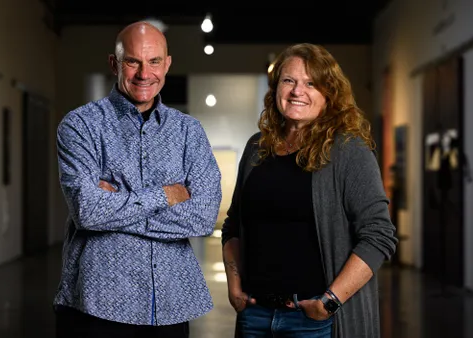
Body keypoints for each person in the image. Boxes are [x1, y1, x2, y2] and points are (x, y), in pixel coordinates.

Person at [53, 21, 222, 338]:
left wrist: (113, 207)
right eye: (133, 61)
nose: (145, 74)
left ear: (167, 63)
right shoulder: (80, 125)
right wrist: (164, 195)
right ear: (114, 63)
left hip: (170, 306)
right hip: (96, 306)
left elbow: (202, 217)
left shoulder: (189, 132)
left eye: (154, 61)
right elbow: (88, 212)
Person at [221, 43, 398, 338]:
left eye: (311, 83)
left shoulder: (348, 150)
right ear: (276, 87)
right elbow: (233, 225)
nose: (297, 91)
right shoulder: (256, 148)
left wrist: (329, 302)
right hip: (255, 315)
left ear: (329, 94)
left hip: (316, 321)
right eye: (288, 80)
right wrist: (234, 285)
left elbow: (379, 235)